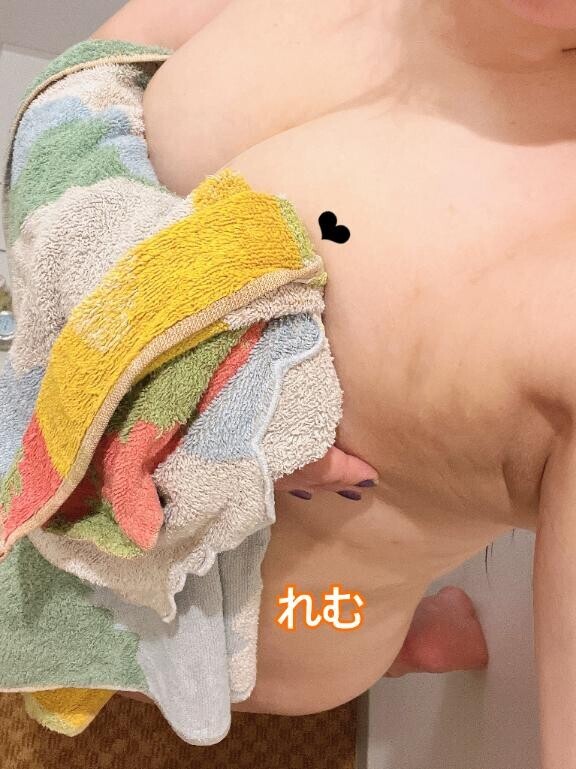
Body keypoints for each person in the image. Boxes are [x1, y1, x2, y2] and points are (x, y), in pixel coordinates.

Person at [91, 2, 576, 765]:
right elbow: (87, 85)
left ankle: (403, 646)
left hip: (273, 623)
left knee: (82, 635)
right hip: (51, 452)